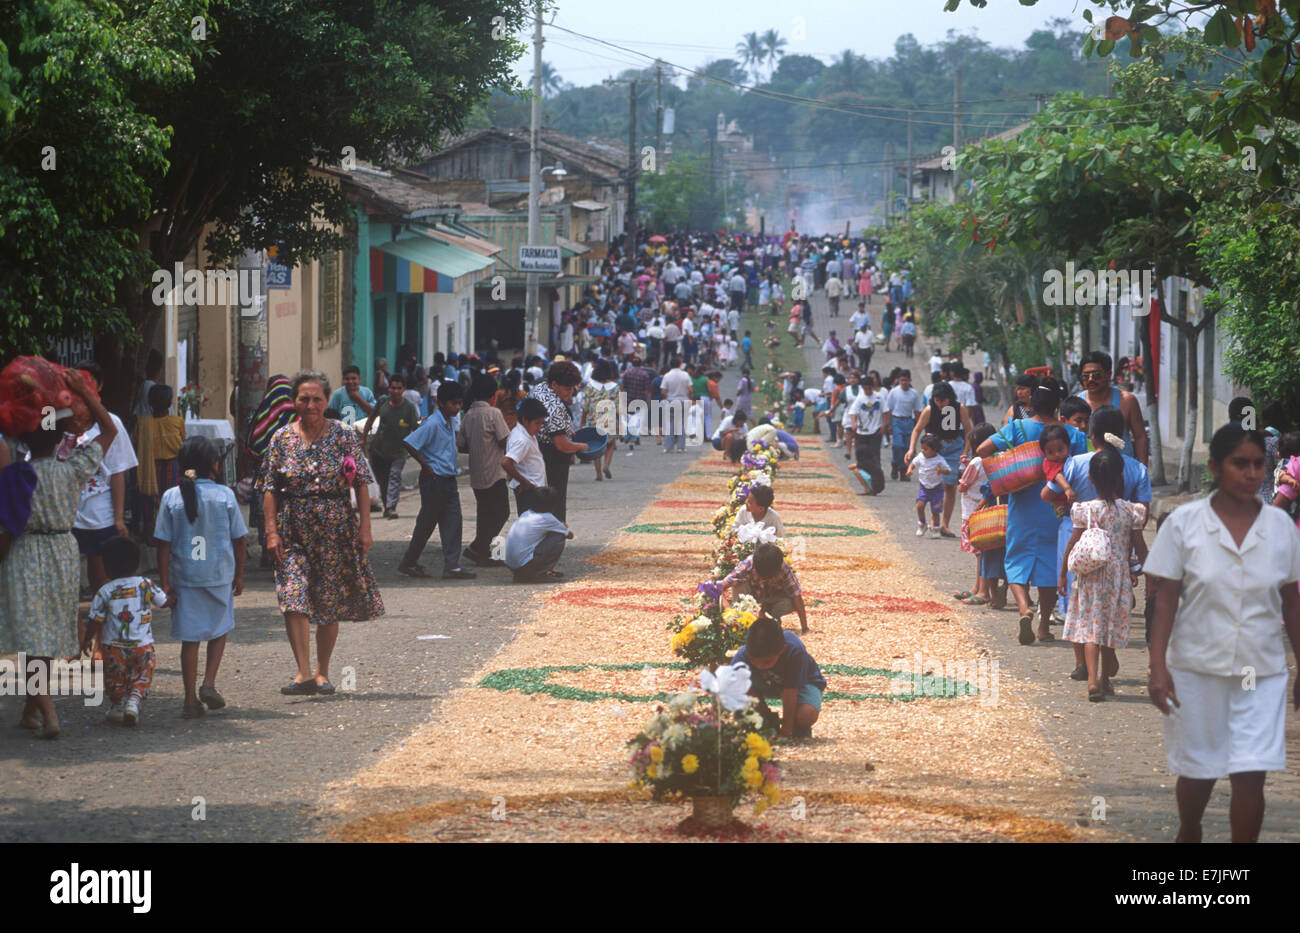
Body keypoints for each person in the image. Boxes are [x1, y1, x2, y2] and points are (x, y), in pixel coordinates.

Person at [1146, 423, 1300, 843]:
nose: (1251, 474)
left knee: (1251, 773)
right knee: (1200, 770)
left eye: (1257, 465)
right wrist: (1157, 668)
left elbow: (1293, 602)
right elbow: (1165, 601)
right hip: (1196, 668)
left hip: (1260, 672)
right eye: (1240, 464)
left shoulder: (1281, 527)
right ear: (1215, 467)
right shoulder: (1184, 524)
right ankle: (1189, 829)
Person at [0, 367, 115, 739]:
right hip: (64, 551)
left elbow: (6, 526)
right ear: (62, 436)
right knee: (47, 638)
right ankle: (32, 712)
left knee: (33, 640)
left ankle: (47, 714)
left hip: (27, 554)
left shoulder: (17, 474)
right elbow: (109, 430)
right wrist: (86, 392)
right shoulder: (75, 468)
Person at [258, 371, 384, 696]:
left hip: (335, 528)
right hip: (293, 530)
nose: (311, 405)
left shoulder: (343, 436)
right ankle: (302, 672)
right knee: (293, 596)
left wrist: (365, 529)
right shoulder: (281, 439)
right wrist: (271, 533)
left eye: (317, 399)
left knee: (328, 601)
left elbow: (360, 482)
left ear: (328, 401)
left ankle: (322, 672)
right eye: (304, 398)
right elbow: (270, 489)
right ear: (294, 401)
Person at [976, 378, 1089, 646]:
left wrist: (1011, 462)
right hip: (1057, 508)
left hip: (1022, 503)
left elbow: (982, 450)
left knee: (1017, 559)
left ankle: (1024, 607)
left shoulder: (1017, 428)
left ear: (1030, 404)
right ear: (1058, 405)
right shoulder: (1073, 435)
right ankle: (1043, 627)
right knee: (1051, 565)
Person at [1045, 406, 1152, 679]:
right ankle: (1105, 667)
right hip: (1118, 553)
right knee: (1109, 612)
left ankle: (1083, 665)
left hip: (1079, 544)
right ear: (1122, 435)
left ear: (1092, 434)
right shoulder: (1137, 469)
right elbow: (1143, 517)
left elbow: (1048, 492)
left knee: (1080, 608)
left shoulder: (1076, 463)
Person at [154, 437, 246, 719]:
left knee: (190, 638)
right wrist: (239, 574)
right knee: (219, 628)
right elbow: (239, 539)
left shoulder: (171, 496)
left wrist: (165, 581)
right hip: (218, 574)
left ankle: (189, 699)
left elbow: (163, 543)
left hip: (185, 577)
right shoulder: (225, 496)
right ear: (214, 465)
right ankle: (209, 682)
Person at [1058, 447, 1149, 702]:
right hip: (1117, 578)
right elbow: (1140, 547)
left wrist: (1063, 573)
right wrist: (1151, 574)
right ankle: (1107, 681)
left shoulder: (1084, 510)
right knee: (1109, 630)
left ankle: (1092, 680)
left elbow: (1073, 543)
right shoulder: (1132, 511)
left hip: (1089, 578)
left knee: (1090, 628)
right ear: (1121, 478)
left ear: (1091, 478)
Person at [69, 363, 138, 658]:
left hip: (100, 516)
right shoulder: (59, 421)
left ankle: (99, 641)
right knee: (67, 585)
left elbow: (118, 472)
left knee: (101, 581)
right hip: (67, 516)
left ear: (98, 387)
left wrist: (118, 516)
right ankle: (76, 637)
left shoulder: (111, 423)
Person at [83, 536, 167, 726]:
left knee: (115, 677)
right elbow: (163, 602)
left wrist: (87, 639)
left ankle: (117, 706)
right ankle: (134, 701)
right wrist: (175, 596)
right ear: (136, 562)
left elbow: (95, 619)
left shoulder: (105, 590)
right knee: (143, 674)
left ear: (108, 566)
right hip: (142, 645)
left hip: (113, 647)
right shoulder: (146, 584)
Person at [398, 380, 475, 580]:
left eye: (459, 403)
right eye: (453, 404)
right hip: (435, 480)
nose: (457, 408)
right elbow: (410, 443)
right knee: (427, 523)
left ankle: (452, 566)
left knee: (453, 521)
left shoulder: (449, 421)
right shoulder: (433, 422)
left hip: (449, 479)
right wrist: (425, 465)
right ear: (441, 402)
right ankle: (409, 562)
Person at [731, 615, 825, 739]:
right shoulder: (742, 656)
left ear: (782, 651)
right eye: (753, 661)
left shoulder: (794, 651)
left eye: (766, 662)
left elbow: (790, 693)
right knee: (742, 688)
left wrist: (786, 731)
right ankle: (767, 719)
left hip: (803, 683)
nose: (759, 666)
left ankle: (799, 725)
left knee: (806, 714)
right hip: (765, 683)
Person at [457, 373, 511, 568]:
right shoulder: (494, 413)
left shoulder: (469, 415)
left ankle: (483, 552)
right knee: (502, 512)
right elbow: (505, 440)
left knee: (485, 513)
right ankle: (478, 547)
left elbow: (461, 445)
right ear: (493, 395)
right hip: (494, 472)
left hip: (477, 473)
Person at [904, 382, 973, 536]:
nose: (940, 404)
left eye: (943, 400)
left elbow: (969, 430)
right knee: (933, 483)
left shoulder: (959, 408)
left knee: (950, 486)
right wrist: (911, 449)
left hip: (954, 447)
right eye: (937, 400)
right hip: (934, 449)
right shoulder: (929, 410)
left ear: (950, 398)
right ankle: (932, 517)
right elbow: (917, 429)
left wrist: (965, 451)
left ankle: (944, 524)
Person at [530, 361, 589, 519]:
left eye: (573, 388)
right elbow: (562, 445)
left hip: (533, 451)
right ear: (555, 384)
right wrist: (583, 446)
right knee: (555, 498)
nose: (571, 393)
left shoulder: (540, 387)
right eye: (568, 389)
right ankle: (556, 534)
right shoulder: (556, 408)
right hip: (551, 457)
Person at [132, 383, 186, 543]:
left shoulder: (142, 423)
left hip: (150, 467)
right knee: (172, 501)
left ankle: (151, 535)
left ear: (149, 402)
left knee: (149, 502)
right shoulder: (177, 421)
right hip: (173, 466)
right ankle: (171, 536)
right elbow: (183, 442)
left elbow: (135, 444)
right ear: (170, 403)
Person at [954, 423, 1001, 606]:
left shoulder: (976, 462)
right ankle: (977, 588)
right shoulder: (994, 458)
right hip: (986, 509)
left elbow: (962, 486)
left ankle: (983, 591)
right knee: (982, 552)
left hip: (972, 509)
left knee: (980, 553)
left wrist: (966, 470)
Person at [362, 372, 419, 519]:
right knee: (383, 480)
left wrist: (418, 448)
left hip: (399, 452)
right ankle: (387, 506)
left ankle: (391, 507)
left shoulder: (409, 408)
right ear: (389, 388)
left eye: (399, 388)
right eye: (393, 388)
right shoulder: (382, 402)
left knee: (394, 476)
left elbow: (415, 429)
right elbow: (371, 419)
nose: (395, 391)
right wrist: (363, 438)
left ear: (404, 389)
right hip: (379, 450)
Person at [718, 541, 809, 633]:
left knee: (790, 602)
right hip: (750, 596)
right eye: (762, 577)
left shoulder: (783, 568)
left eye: (770, 578)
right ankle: (742, 616)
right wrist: (729, 611)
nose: (765, 580)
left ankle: (769, 616)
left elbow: (796, 596)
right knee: (738, 584)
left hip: (771, 597)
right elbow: (718, 587)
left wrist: (805, 628)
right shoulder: (748, 564)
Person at [1077, 350, 1148, 464]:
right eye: (1086, 376)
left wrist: (1142, 469)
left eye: (1096, 375)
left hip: (1123, 471)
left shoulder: (1127, 401)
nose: (1090, 380)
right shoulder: (1077, 403)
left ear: (1108, 374)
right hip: (1087, 473)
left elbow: (1140, 437)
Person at [504, 486, 573, 583]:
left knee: (547, 533)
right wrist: (563, 525)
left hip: (511, 564)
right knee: (559, 536)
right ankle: (539, 573)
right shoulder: (547, 518)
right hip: (523, 565)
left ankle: (523, 574)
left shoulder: (526, 513)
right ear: (553, 505)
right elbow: (570, 535)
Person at [503, 397, 549, 516]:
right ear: (525, 420)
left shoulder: (523, 432)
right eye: (537, 423)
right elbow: (506, 462)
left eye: (541, 423)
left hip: (533, 488)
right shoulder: (522, 440)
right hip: (530, 490)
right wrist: (524, 482)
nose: (539, 427)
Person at [847, 372, 887, 496]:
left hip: (875, 431)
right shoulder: (860, 398)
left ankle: (876, 482)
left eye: (869, 388)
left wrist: (884, 425)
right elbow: (853, 411)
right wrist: (854, 423)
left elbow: (885, 411)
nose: (868, 391)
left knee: (875, 457)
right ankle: (866, 482)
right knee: (862, 456)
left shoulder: (879, 397)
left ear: (873, 387)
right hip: (862, 432)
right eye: (865, 389)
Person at [907, 433, 951, 537]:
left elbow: (948, 471)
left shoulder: (939, 459)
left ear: (934, 450)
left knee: (935, 510)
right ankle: (922, 524)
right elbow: (913, 463)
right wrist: (909, 469)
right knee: (920, 506)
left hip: (936, 488)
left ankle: (936, 528)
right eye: (922, 448)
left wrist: (941, 471)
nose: (922, 450)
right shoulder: (921, 457)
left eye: (925, 449)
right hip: (924, 487)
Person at [885, 369, 923, 481]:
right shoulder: (894, 392)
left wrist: (918, 425)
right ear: (898, 380)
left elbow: (917, 410)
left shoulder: (914, 394)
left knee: (908, 447)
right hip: (897, 420)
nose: (904, 383)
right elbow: (889, 409)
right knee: (898, 445)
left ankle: (903, 470)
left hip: (909, 421)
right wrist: (889, 424)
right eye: (902, 380)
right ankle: (896, 464)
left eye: (906, 380)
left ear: (910, 380)